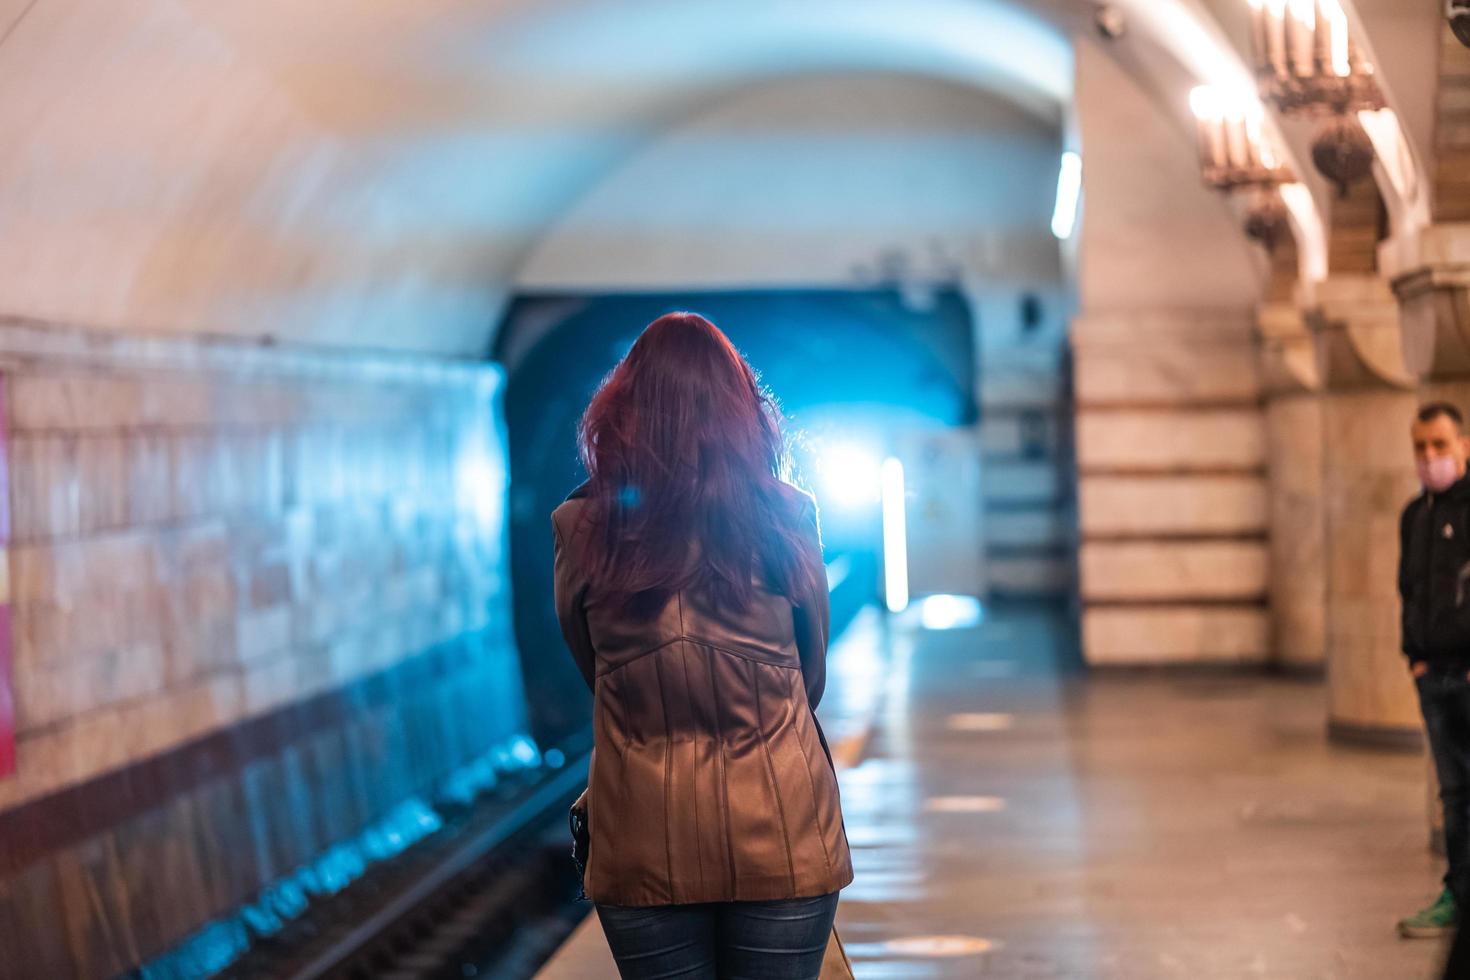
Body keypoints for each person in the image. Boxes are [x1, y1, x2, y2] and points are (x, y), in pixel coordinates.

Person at [552, 312, 853, 979]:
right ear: (744, 413)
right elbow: (812, 677)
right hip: (783, 831)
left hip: (641, 834)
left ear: (621, 413)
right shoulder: (786, 516)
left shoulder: (582, 528)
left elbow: (590, 667)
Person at [1398, 402, 1470, 939]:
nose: (1430, 457)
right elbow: (1410, 591)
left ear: (1463, 445)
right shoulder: (1414, 515)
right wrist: (1415, 660)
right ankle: (1459, 892)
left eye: (1440, 445)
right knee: (1453, 792)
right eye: (1421, 446)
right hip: (1433, 677)